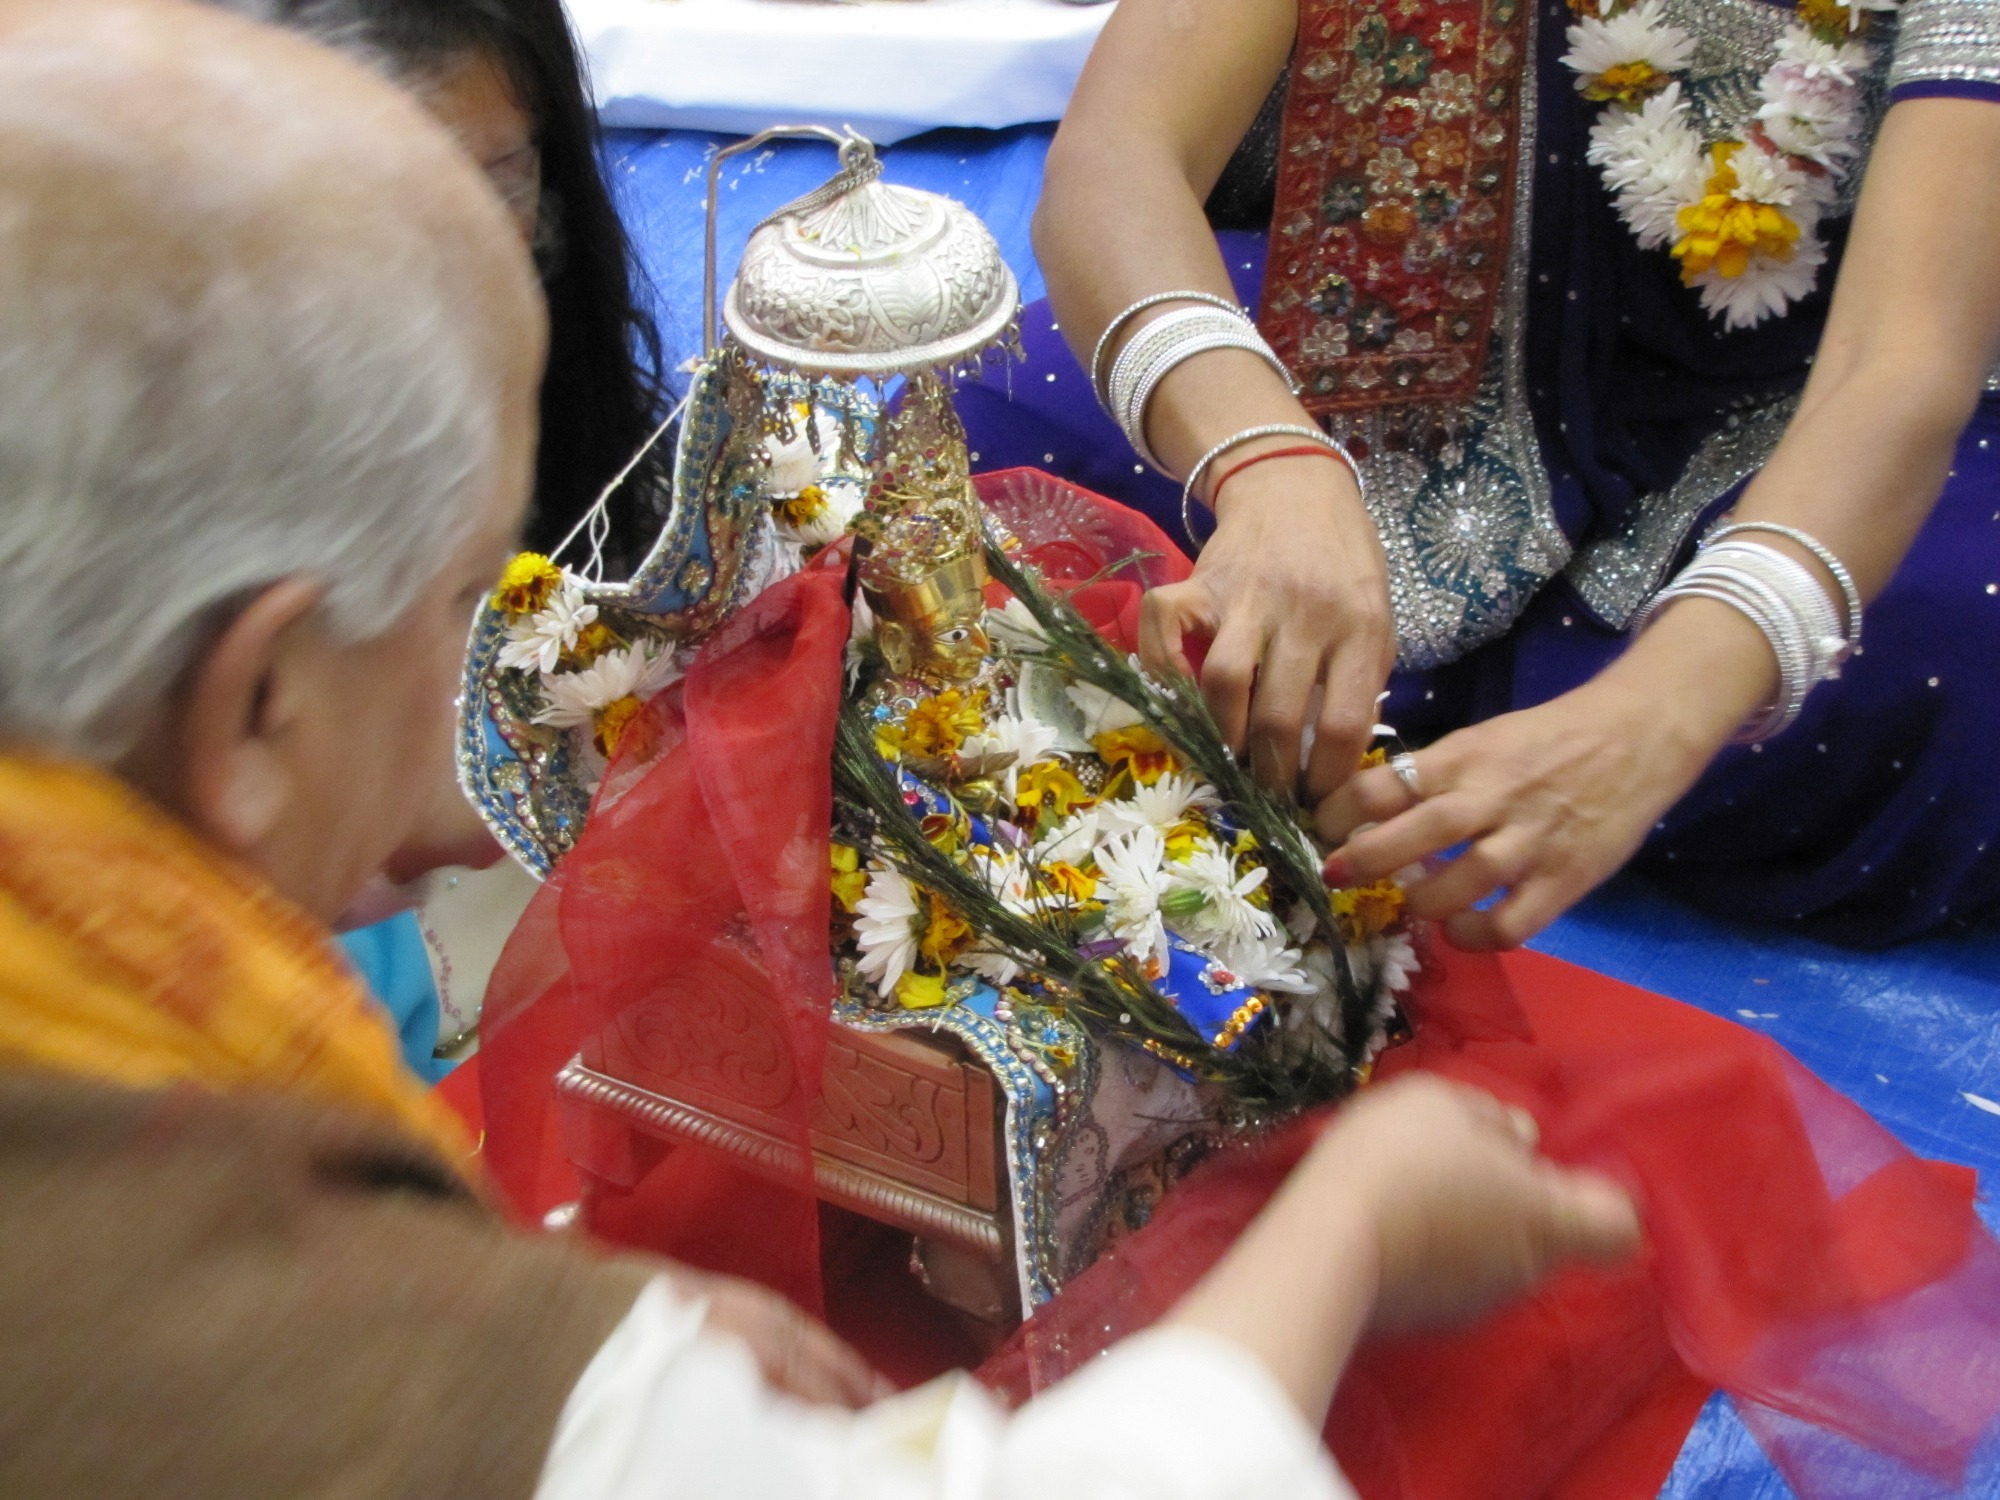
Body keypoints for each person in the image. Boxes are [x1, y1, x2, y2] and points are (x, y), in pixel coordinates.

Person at [0, 5, 1644, 1497]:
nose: (496, 675)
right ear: (263, 701)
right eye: (453, 605)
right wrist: (1347, 1227)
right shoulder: (304, 1337)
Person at [988, 0, 2000, 948]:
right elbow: (1118, 155)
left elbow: (1897, 363)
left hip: (1816, 389)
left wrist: (1654, 717)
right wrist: (1264, 458)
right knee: (993, 426)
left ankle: (1420, 727)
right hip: (1410, 311)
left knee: (1949, 674)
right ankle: (1398, 712)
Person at [202, 0, 682, 1073]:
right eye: (373, 200)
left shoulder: (568, 425)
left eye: (490, 180)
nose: (445, 262)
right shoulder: (161, 470)